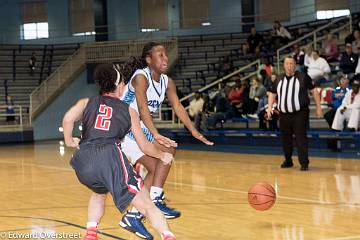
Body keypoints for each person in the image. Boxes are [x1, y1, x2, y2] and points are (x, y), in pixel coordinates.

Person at [62, 64, 176, 240]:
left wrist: (70, 141)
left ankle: (91, 232)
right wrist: (162, 156)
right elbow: (145, 146)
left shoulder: (86, 102)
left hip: (83, 161)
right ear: (120, 85)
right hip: (109, 156)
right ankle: (168, 236)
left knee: (99, 193)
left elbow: (68, 119)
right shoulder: (128, 110)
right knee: (147, 205)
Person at [120, 42, 214, 239]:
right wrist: (155, 134)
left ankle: (135, 214)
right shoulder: (140, 77)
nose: (165, 59)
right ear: (148, 59)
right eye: (160, 55)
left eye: (165, 55)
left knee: (158, 166)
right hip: (124, 126)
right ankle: (154, 200)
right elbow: (143, 108)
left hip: (139, 127)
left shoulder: (167, 82)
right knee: (167, 151)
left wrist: (194, 131)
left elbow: (178, 107)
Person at [267, 56, 322, 171]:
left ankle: (304, 163)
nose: (289, 66)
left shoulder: (303, 77)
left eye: (291, 63)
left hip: (299, 113)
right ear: (284, 65)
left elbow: (314, 91)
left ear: (295, 65)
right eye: (287, 63)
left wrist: (318, 107)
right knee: (285, 139)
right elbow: (272, 93)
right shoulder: (278, 79)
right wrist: (270, 108)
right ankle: (288, 160)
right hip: (284, 114)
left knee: (300, 138)